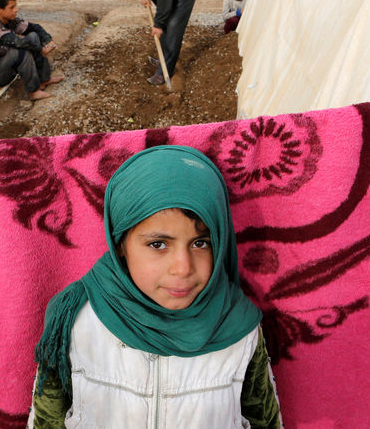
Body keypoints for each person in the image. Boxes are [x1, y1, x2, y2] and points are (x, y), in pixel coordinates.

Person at [28, 145, 283, 428]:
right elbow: (46, 420)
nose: (183, 268)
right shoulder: (75, 319)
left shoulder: (238, 328)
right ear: (120, 244)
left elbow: (265, 421)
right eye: (158, 244)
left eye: (201, 243)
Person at [0, 0, 64, 100]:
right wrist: (41, 49)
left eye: (15, 6)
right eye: (11, 7)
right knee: (21, 51)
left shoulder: (10, 21)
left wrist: (48, 40)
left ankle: (44, 79)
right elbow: (17, 43)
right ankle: (33, 91)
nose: (16, 10)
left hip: (8, 64)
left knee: (33, 36)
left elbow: (34, 27)